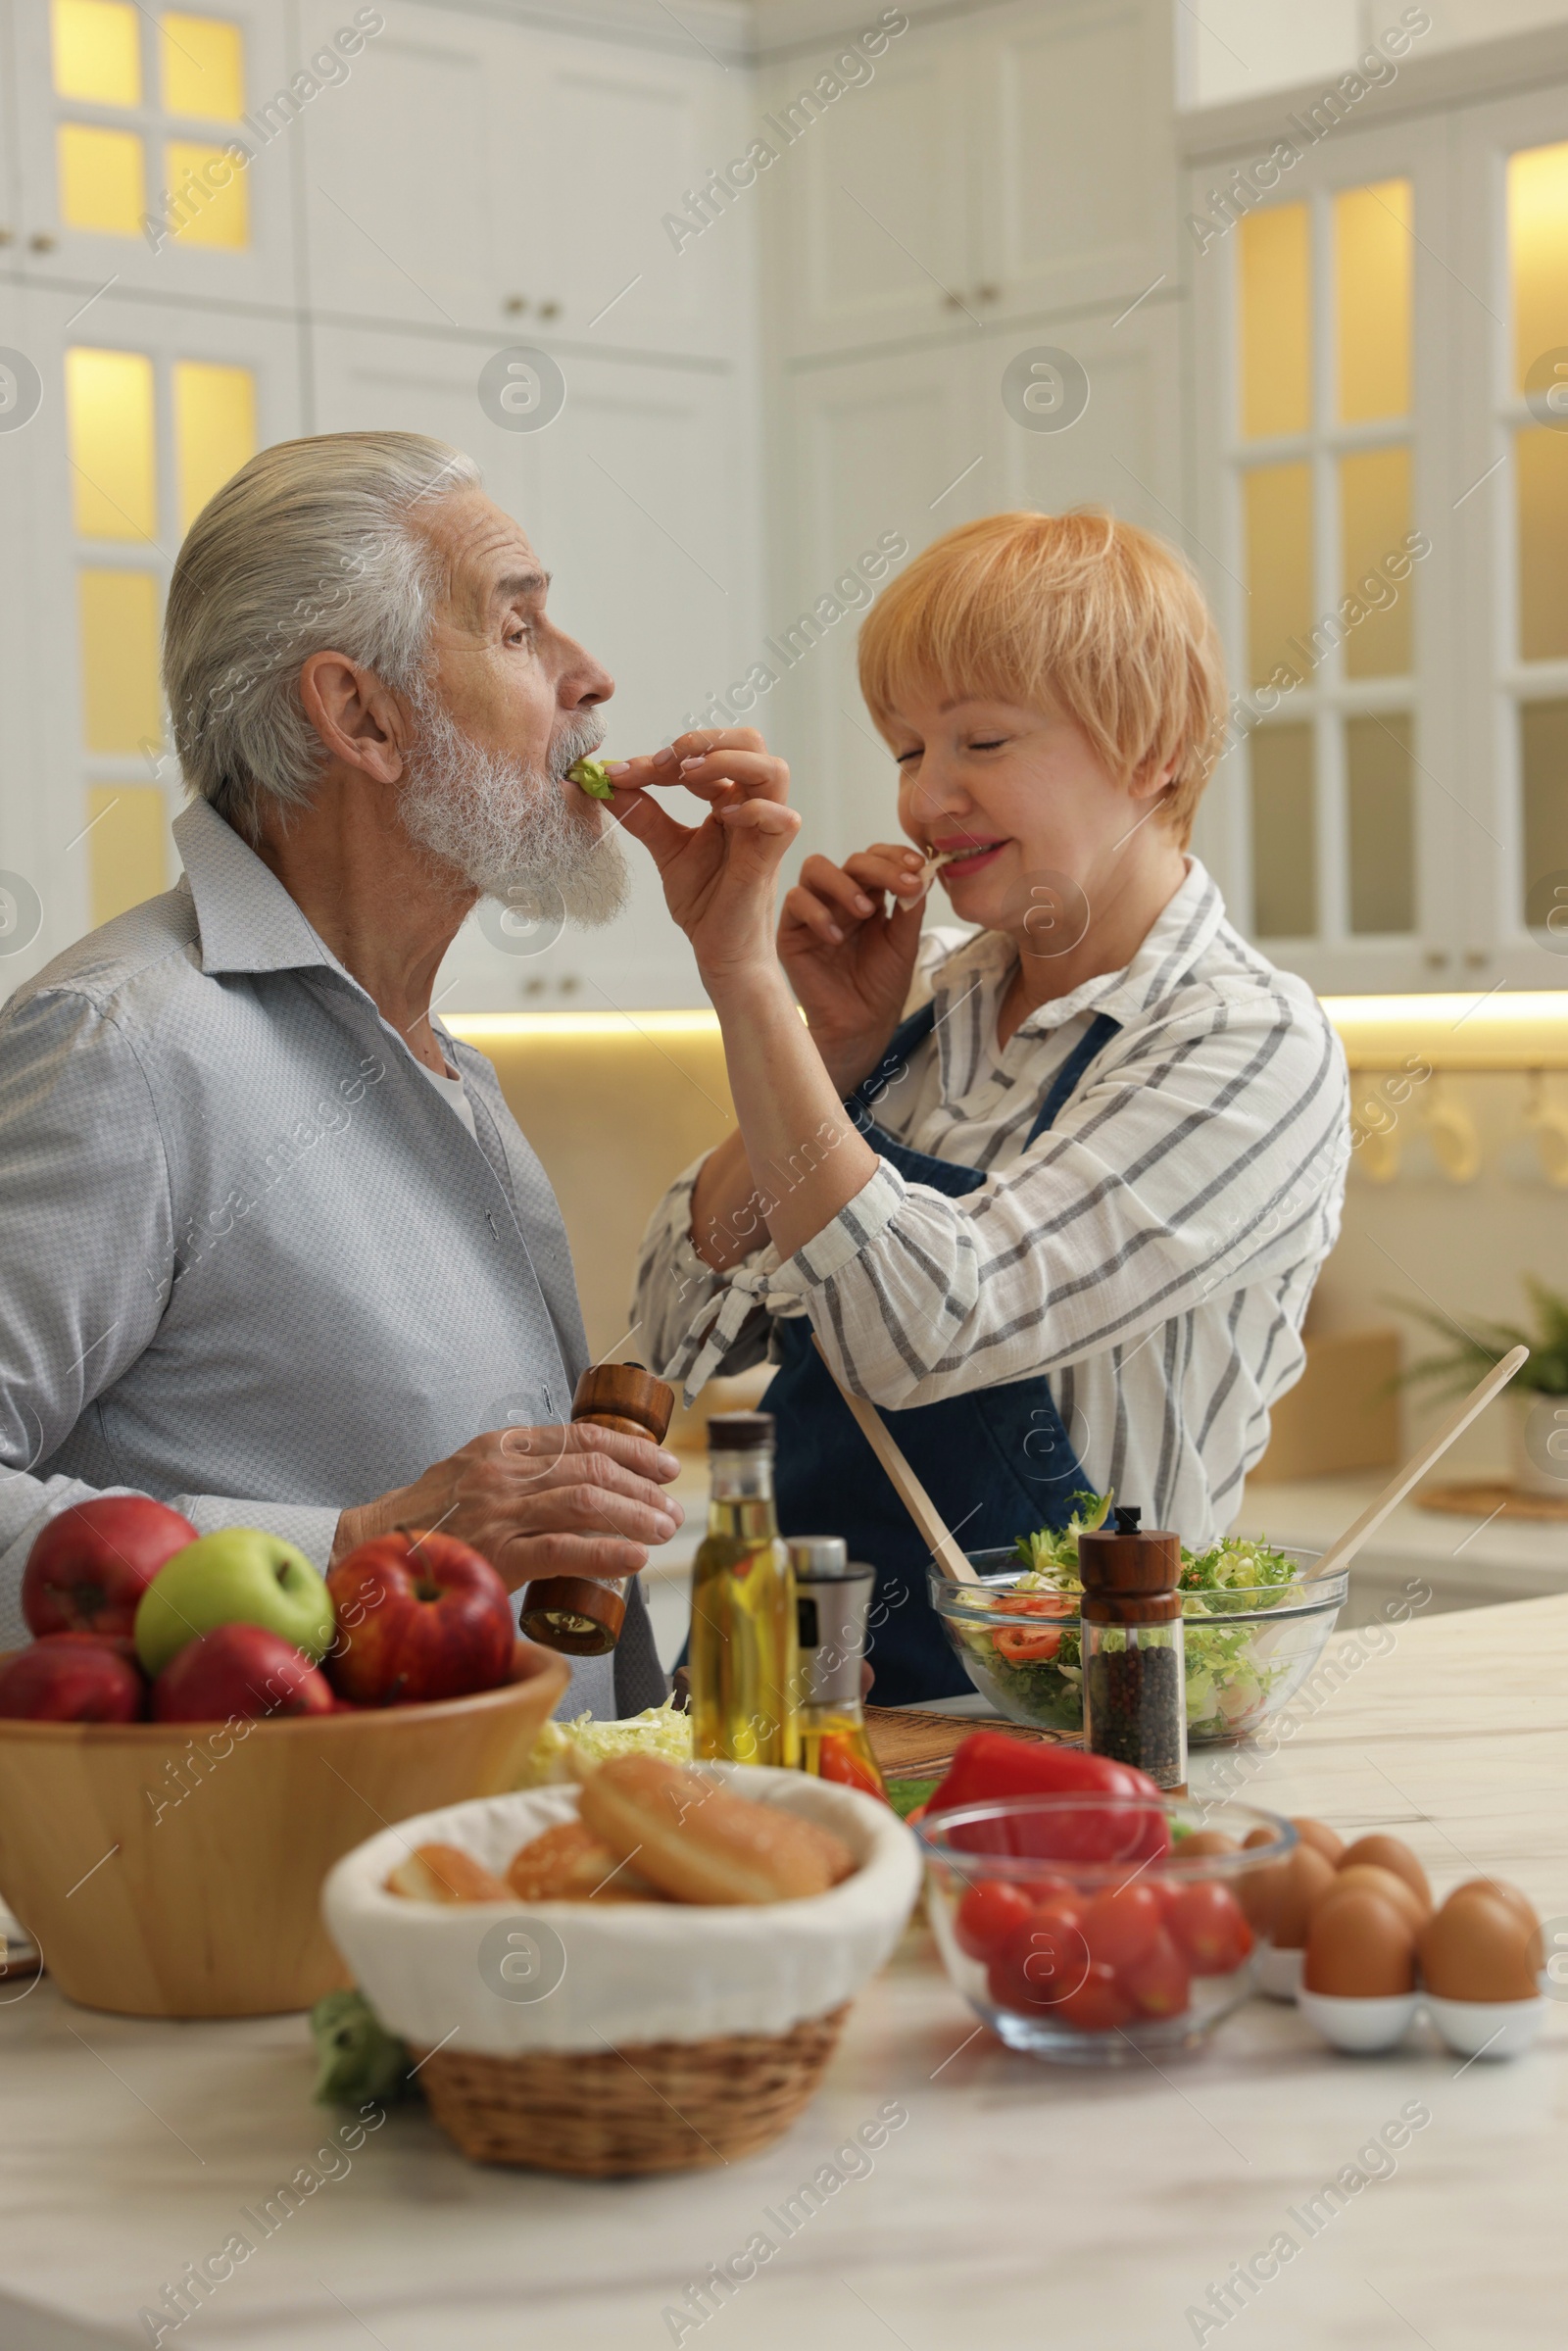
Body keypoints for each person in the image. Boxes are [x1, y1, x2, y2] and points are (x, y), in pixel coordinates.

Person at [0, 431, 679, 1715]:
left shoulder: (452, 1071)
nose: (591, 677)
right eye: (519, 629)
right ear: (360, 714)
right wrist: (356, 1546)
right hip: (262, 1901)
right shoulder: (128, 1047)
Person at [622, 510, 1350, 1706]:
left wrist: (742, 978)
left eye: (982, 740)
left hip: (1052, 1734)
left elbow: (926, 1328)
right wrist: (837, 1056)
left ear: (1152, 747)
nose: (925, 799)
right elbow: (672, 1324)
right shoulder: (917, 1004)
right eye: (907, 750)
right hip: (778, 1705)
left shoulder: (1245, 1043)